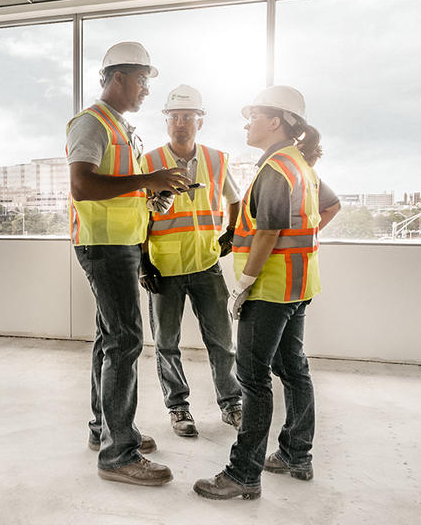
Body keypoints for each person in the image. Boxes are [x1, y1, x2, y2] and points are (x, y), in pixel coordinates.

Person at [193, 85, 341, 500]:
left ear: (275, 121)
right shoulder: (300, 165)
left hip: (270, 290)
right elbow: (330, 207)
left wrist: (244, 283)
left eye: (253, 115)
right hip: (299, 285)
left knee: (253, 380)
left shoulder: (276, 168)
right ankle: (296, 454)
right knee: (293, 368)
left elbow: (270, 230)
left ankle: (244, 473)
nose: (246, 122)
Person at [66, 41, 191, 486]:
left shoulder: (122, 127)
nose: (144, 91)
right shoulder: (91, 123)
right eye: (141, 80)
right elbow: (83, 185)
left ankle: (107, 429)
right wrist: (148, 178)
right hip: (104, 246)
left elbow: (119, 186)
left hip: (120, 242)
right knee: (125, 342)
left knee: (110, 338)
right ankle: (120, 454)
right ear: (117, 77)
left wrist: (152, 193)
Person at [138, 84, 243, 437]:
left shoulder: (216, 160)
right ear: (166, 121)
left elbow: (235, 198)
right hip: (163, 268)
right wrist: (142, 261)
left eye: (187, 117)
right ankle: (178, 408)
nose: (180, 123)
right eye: (174, 117)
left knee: (222, 341)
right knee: (166, 343)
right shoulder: (149, 162)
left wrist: (230, 232)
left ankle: (231, 404)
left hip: (206, 264)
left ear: (201, 121)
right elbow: (138, 213)